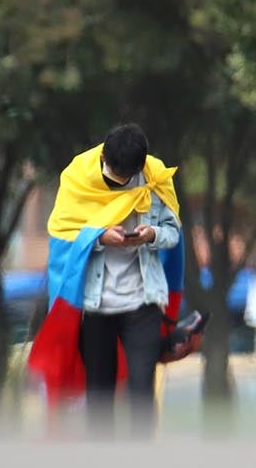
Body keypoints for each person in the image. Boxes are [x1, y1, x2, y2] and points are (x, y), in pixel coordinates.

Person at [26, 123, 181, 436]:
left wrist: (152, 234)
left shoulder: (156, 179)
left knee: (141, 393)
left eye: (122, 178)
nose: (114, 181)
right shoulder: (78, 176)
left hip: (143, 302)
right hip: (96, 306)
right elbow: (62, 235)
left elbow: (173, 233)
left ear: (140, 168)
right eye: (110, 172)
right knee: (100, 396)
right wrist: (99, 237)